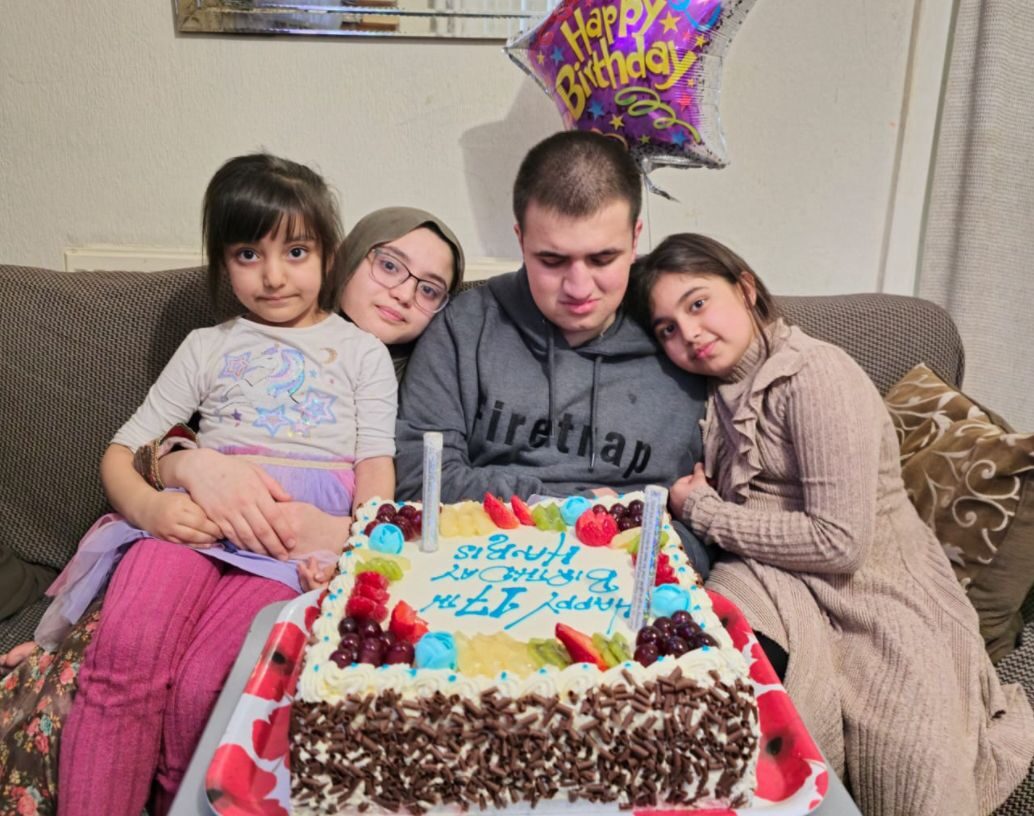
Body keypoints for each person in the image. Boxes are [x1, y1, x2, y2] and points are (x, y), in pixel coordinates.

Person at [0, 204, 464, 815]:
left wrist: (347, 543)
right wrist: (178, 466)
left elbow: (385, 490)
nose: (403, 293)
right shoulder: (223, 339)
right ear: (344, 255)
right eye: (389, 265)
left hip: (284, 558)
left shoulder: (401, 370)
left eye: (428, 289)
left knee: (205, 687)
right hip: (190, 529)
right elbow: (141, 448)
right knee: (129, 653)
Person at [630, 232, 1034, 816]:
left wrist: (703, 510)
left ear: (745, 289)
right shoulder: (713, 394)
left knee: (913, 775)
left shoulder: (813, 374)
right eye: (667, 326)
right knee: (716, 685)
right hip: (779, 583)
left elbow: (839, 544)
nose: (688, 333)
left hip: (878, 594)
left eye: (697, 303)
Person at [393, 131, 711, 572]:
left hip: (639, 578)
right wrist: (571, 508)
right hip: (487, 568)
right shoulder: (466, 328)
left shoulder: (689, 335)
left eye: (602, 259)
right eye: (552, 261)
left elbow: (708, 517)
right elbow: (420, 482)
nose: (579, 289)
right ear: (520, 239)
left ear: (636, 238)